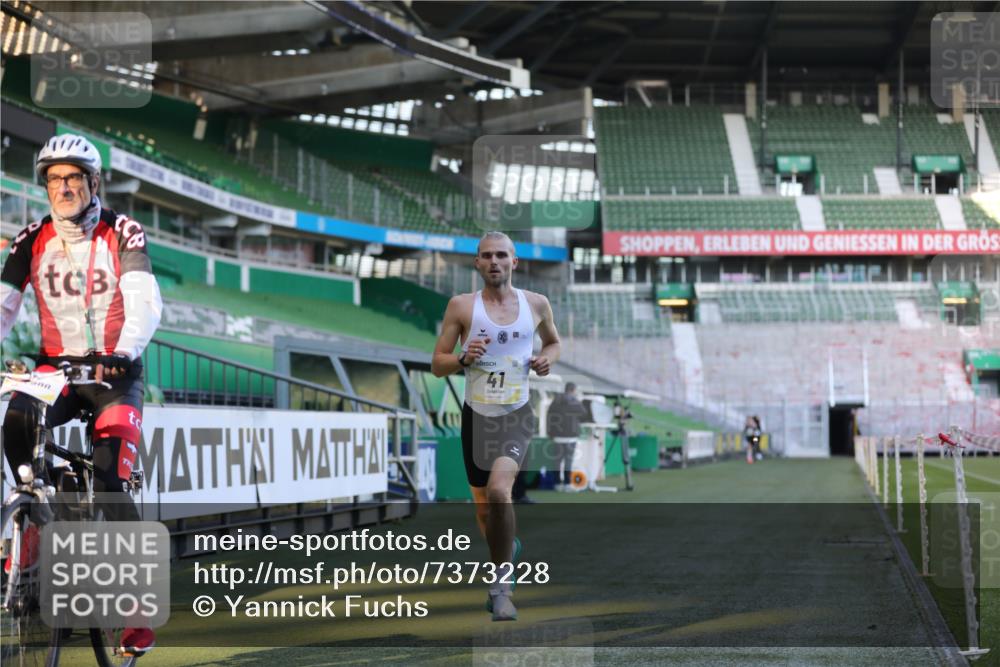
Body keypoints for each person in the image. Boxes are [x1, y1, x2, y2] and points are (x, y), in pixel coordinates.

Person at [0, 134, 162, 657]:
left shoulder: (123, 231)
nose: (64, 187)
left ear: (94, 183)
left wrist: (125, 347)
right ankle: (28, 524)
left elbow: (143, 300)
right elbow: (4, 304)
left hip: (114, 371)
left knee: (112, 476)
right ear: (45, 186)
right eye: (55, 179)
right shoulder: (31, 238)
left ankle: (135, 610)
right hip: (58, 369)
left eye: (74, 178)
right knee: (18, 418)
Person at [431, 231, 560, 621]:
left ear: (514, 262)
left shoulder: (536, 304)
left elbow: (554, 342)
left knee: (501, 493)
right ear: (477, 263)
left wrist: (545, 358)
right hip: (477, 417)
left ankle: (501, 588)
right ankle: (507, 550)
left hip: (516, 414)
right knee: (486, 513)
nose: (494, 261)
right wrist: (462, 359)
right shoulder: (461, 307)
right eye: (486, 255)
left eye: (501, 255)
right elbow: (438, 363)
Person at [546, 382, 590, 490]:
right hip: (571, 436)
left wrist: (550, 433)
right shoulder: (575, 401)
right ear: (573, 390)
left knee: (556, 461)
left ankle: (556, 484)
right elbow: (584, 414)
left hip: (557, 436)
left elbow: (549, 417)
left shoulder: (555, 401)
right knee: (568, 461)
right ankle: (567, 484)